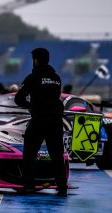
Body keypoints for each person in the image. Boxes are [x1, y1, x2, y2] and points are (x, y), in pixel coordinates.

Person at [15, 47, 68, 196]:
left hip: (39, 120)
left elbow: (18, 99)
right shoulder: (57, 78)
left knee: (30, 154)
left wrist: (31, 106)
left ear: (35, 60)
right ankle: (62, 187)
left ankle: (29, 186)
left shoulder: (32, 78)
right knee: (57, 155)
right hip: (56, 120)